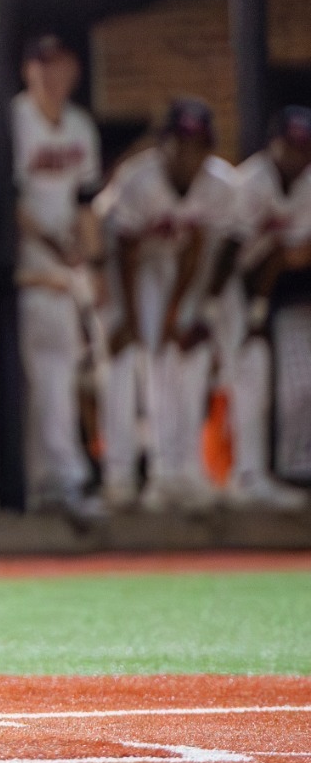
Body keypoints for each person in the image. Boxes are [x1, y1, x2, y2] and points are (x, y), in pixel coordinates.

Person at [100, 99, 240, 512]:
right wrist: (126, 317)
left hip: (188, 275)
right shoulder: (137, 179)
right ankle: (126, 477)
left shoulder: (221, 185)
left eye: (195, 144)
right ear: (163, 144)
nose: (186, 153)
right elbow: (123, 250)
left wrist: (184, 313)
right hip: (129, 271)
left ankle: (182, 471)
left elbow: (208, 252)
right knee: (128, 368)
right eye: (178, 142)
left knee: (186, 365)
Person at [11, 37, 105, 514]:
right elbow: (8, 201)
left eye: (59, 64)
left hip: (65, 270)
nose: (50, 73)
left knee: (59, 375)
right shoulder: (14, 119)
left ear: (74, 70)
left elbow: (86, 200)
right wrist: (57, 248)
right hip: (24, 268)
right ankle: (58, 477)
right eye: (40, 64)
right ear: (28, 71)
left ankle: (46, 480)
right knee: (42, 377)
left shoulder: (80, 125)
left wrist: (91, 260)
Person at [216, 108, 311, 508]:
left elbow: (282, 256)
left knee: (252, 371)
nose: (295, 153)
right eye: (288, 144)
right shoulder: (252, 181)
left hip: (248, 285)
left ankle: (249, 475)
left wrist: (256, 313)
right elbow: (225, 255)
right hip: (215, 279)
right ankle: (236, 475)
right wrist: (205, 309)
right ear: (273, 144)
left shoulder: (308, 183)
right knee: (231, 373)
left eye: (303, 146)